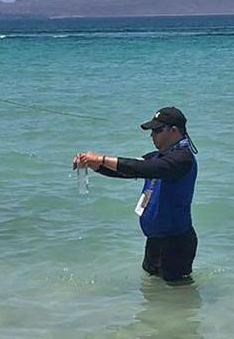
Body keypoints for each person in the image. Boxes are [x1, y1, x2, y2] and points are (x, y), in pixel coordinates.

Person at [73, 107, 198, 283]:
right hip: (154, 241)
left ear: (174, 130)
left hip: (176, 243)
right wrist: (93, 165)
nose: (152, 135)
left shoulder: (182, 159)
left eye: (157, 130)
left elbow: (142, 168)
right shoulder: (158, 157)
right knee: (152, 294)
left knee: (177, 298)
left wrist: (101, 159)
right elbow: (128, 170)